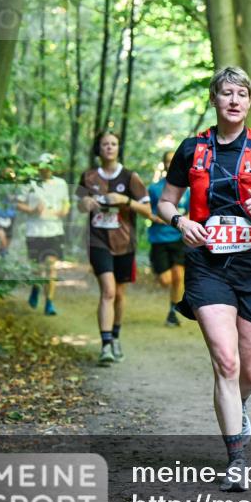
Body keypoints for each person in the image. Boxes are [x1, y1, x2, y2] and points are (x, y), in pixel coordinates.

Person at [156, 66, 251, 492]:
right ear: (214, 100)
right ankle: (236, 457)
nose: (233, 100)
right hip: (208, 265)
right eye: (226, 93)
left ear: (249, 102)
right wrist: (181, 221)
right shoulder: (191, 148)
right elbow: (165, 202)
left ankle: (239, 404)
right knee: (227, 361)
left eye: (241, 94)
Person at [76, 132, 151, 365]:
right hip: (98, 240)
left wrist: (125, 200)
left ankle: (115, 337)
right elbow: (78, 204)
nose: (109, 147)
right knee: (108, 290)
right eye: (105, 144)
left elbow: (148, 211)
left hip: (124, 243)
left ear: (119, 148)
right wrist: (85, 202)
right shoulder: (88, 176)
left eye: (113, 144)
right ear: (98, 149)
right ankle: (106, 345)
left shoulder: (130, 177)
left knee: (119, 294)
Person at [17, 153, 69, 315]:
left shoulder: (61, 184)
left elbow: (66, 204)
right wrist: (32, 210)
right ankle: (35, 288)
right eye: (43, 166)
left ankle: (49, 303)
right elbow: (18, 204)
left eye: (49, 166)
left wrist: (63, 211)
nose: (46, 169)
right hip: (34, 231)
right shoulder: (29, 184)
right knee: (38, 269)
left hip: (54, 231)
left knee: (51, 267)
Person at [148, 151, 188, 327]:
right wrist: (155, 216)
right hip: (159, 238)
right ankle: (158, 271)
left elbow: (193, 210)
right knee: (166, 280)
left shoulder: (188, 189)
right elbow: (146, 209)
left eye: (174, 161)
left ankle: (173, 311)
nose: (171, 164)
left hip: (179, 237)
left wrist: (185, 219)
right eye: (168, 161)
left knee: (178, 276)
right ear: (164, 164)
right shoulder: (154, 188)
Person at [0, 167, 18, 259]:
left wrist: (12, 173)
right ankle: (3, 256)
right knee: (3, 240)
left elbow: (15, 198)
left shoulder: (14, 187)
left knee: (7, 239)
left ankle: (2, 258)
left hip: (11, 215)